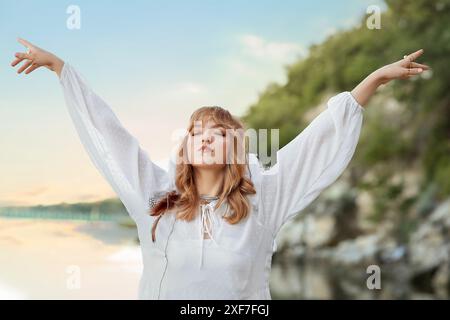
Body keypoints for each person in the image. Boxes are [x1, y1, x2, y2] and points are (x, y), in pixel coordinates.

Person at [11, 38, 429, 299]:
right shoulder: (155, 197)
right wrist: (61, 70)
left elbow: (315, 143)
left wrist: (373, 80)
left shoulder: (264, 198)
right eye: (197, 132)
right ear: (186, 148)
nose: (207, 137)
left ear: (237, 147)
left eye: (220, 131)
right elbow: (110, 137)